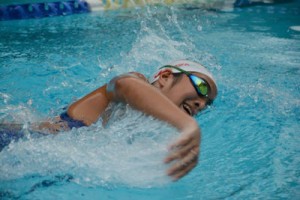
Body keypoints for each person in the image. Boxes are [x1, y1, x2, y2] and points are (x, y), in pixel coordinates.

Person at [5, 59, 218, 181]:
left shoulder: (144, 130)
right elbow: (125, 85)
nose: (202, 102)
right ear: (164, 77)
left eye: (208, 103)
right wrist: (187, 124)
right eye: (201, 86)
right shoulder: (135, 82)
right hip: (15, 140)